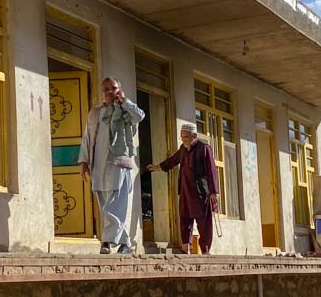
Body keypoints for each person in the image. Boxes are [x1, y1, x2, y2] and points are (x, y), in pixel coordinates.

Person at [78, 77, 145, 254]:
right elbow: (86, 138)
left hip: (118, 162)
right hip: (98, 164)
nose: (109, 91)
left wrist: (125, 101)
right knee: (104, 203)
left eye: (113, 88)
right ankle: (125, 244)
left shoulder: (126, 111)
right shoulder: (95, 113)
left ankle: (106, 242)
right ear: (102, 92)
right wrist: (83, 162)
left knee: (114, 204)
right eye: (106, 89)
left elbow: (140, 116)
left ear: (119, 89)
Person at [147, 123, 219, 254]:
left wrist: (214, 192)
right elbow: (173, 161)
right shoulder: (183, 149)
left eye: (186, 137)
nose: (183, 139)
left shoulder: (204, 148)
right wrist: (158, 167)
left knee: (204, 223)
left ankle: (206, 251)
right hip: (185, 191)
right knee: (185, 219)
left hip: (200, 193)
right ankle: (186, 247)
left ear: (194, 136)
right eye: (182, 137)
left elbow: (212, 170)